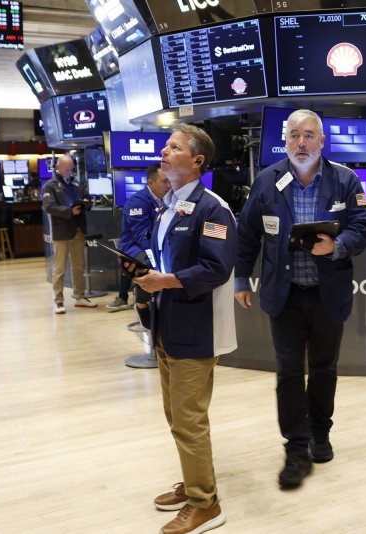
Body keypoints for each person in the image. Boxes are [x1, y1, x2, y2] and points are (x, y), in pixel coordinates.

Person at [235, 109, 366, 490]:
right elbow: (247, 234)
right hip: (285, 295)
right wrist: (241, 278)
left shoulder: (346, 180)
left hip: (328, 294)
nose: (301, 142)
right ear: (285, 140)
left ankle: (320, 431)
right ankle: (296, 448)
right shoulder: (267, 181)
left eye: (309, 135)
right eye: (294, 135)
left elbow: (364, 227)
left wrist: (338, 244)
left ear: (322, 141)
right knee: (289, 371)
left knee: (325, 368)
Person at [129, 123, 237, 534]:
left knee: (189, 420)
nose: (163, 150)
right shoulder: (169, 203)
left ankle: (206, 504)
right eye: (165, 145)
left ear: (197, 162)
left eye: (174, 146)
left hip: (196, 328)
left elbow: (216, 268)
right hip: (166, 323)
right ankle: (194, 484)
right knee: (176, 416)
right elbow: (166, 256)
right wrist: (146, 270)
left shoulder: (213, 209)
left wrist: (165, 280)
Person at [107, 164, 170, 312]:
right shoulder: (136, 202)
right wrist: (158, 254)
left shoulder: (169, 200)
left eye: (169, 181)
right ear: (150, 182)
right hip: (133, 247)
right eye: (164, 181)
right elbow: (142, 236)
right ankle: (143, 306)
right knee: (151, 264)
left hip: (157, 244)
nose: (168, 185)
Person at [41, 155, 97, 314]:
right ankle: (58, 301)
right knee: (59, 269)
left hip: (78, 230)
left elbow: (85, 196)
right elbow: (49, 207)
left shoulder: (76, 182)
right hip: (62, 232)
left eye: (71, 168)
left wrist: (87, 203)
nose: (70, 171)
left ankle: (79, 296)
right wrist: (69, 211)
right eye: (67, 168)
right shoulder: (50, 186)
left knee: (79, 266)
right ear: (58, 167)